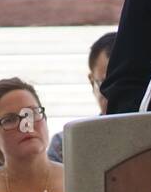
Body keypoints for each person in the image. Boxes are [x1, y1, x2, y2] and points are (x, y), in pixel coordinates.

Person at [48, 31, 117, 163]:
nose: (115, 93)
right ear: (92, 82)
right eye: (106, 84)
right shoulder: (66, 147)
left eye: (125, 84)